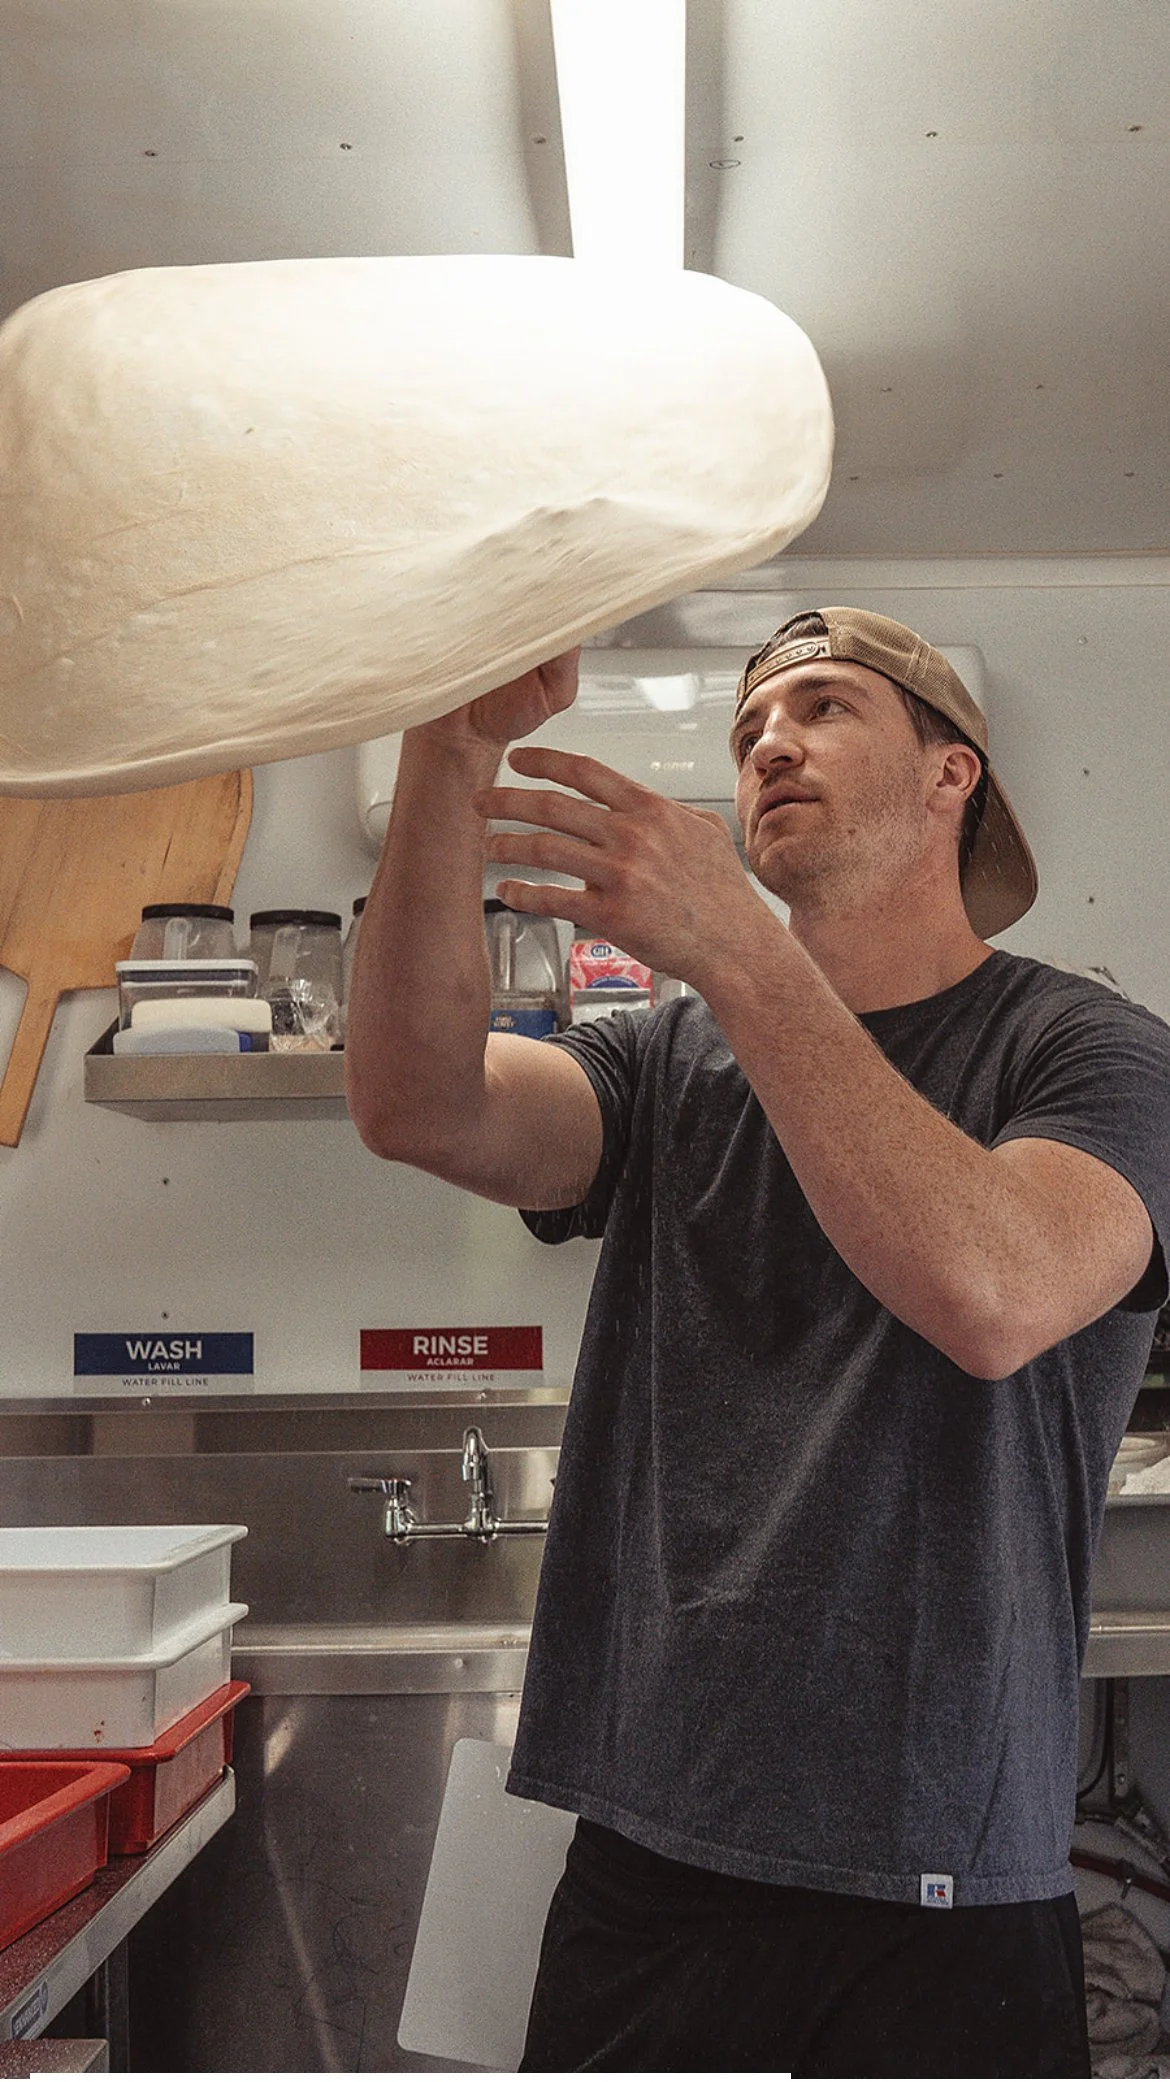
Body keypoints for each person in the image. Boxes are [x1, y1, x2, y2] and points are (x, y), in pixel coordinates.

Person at [345, 606, 1170, 2077]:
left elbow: (990, 1289)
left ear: (949, 775)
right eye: (746, 732)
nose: (768, 743)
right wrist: (444, 751)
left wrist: (731, 937)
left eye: (825, 708)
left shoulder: (1085, 1049)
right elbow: (419, 1099)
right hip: (653, 1840)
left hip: (943, 1859)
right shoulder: (664, 1057)